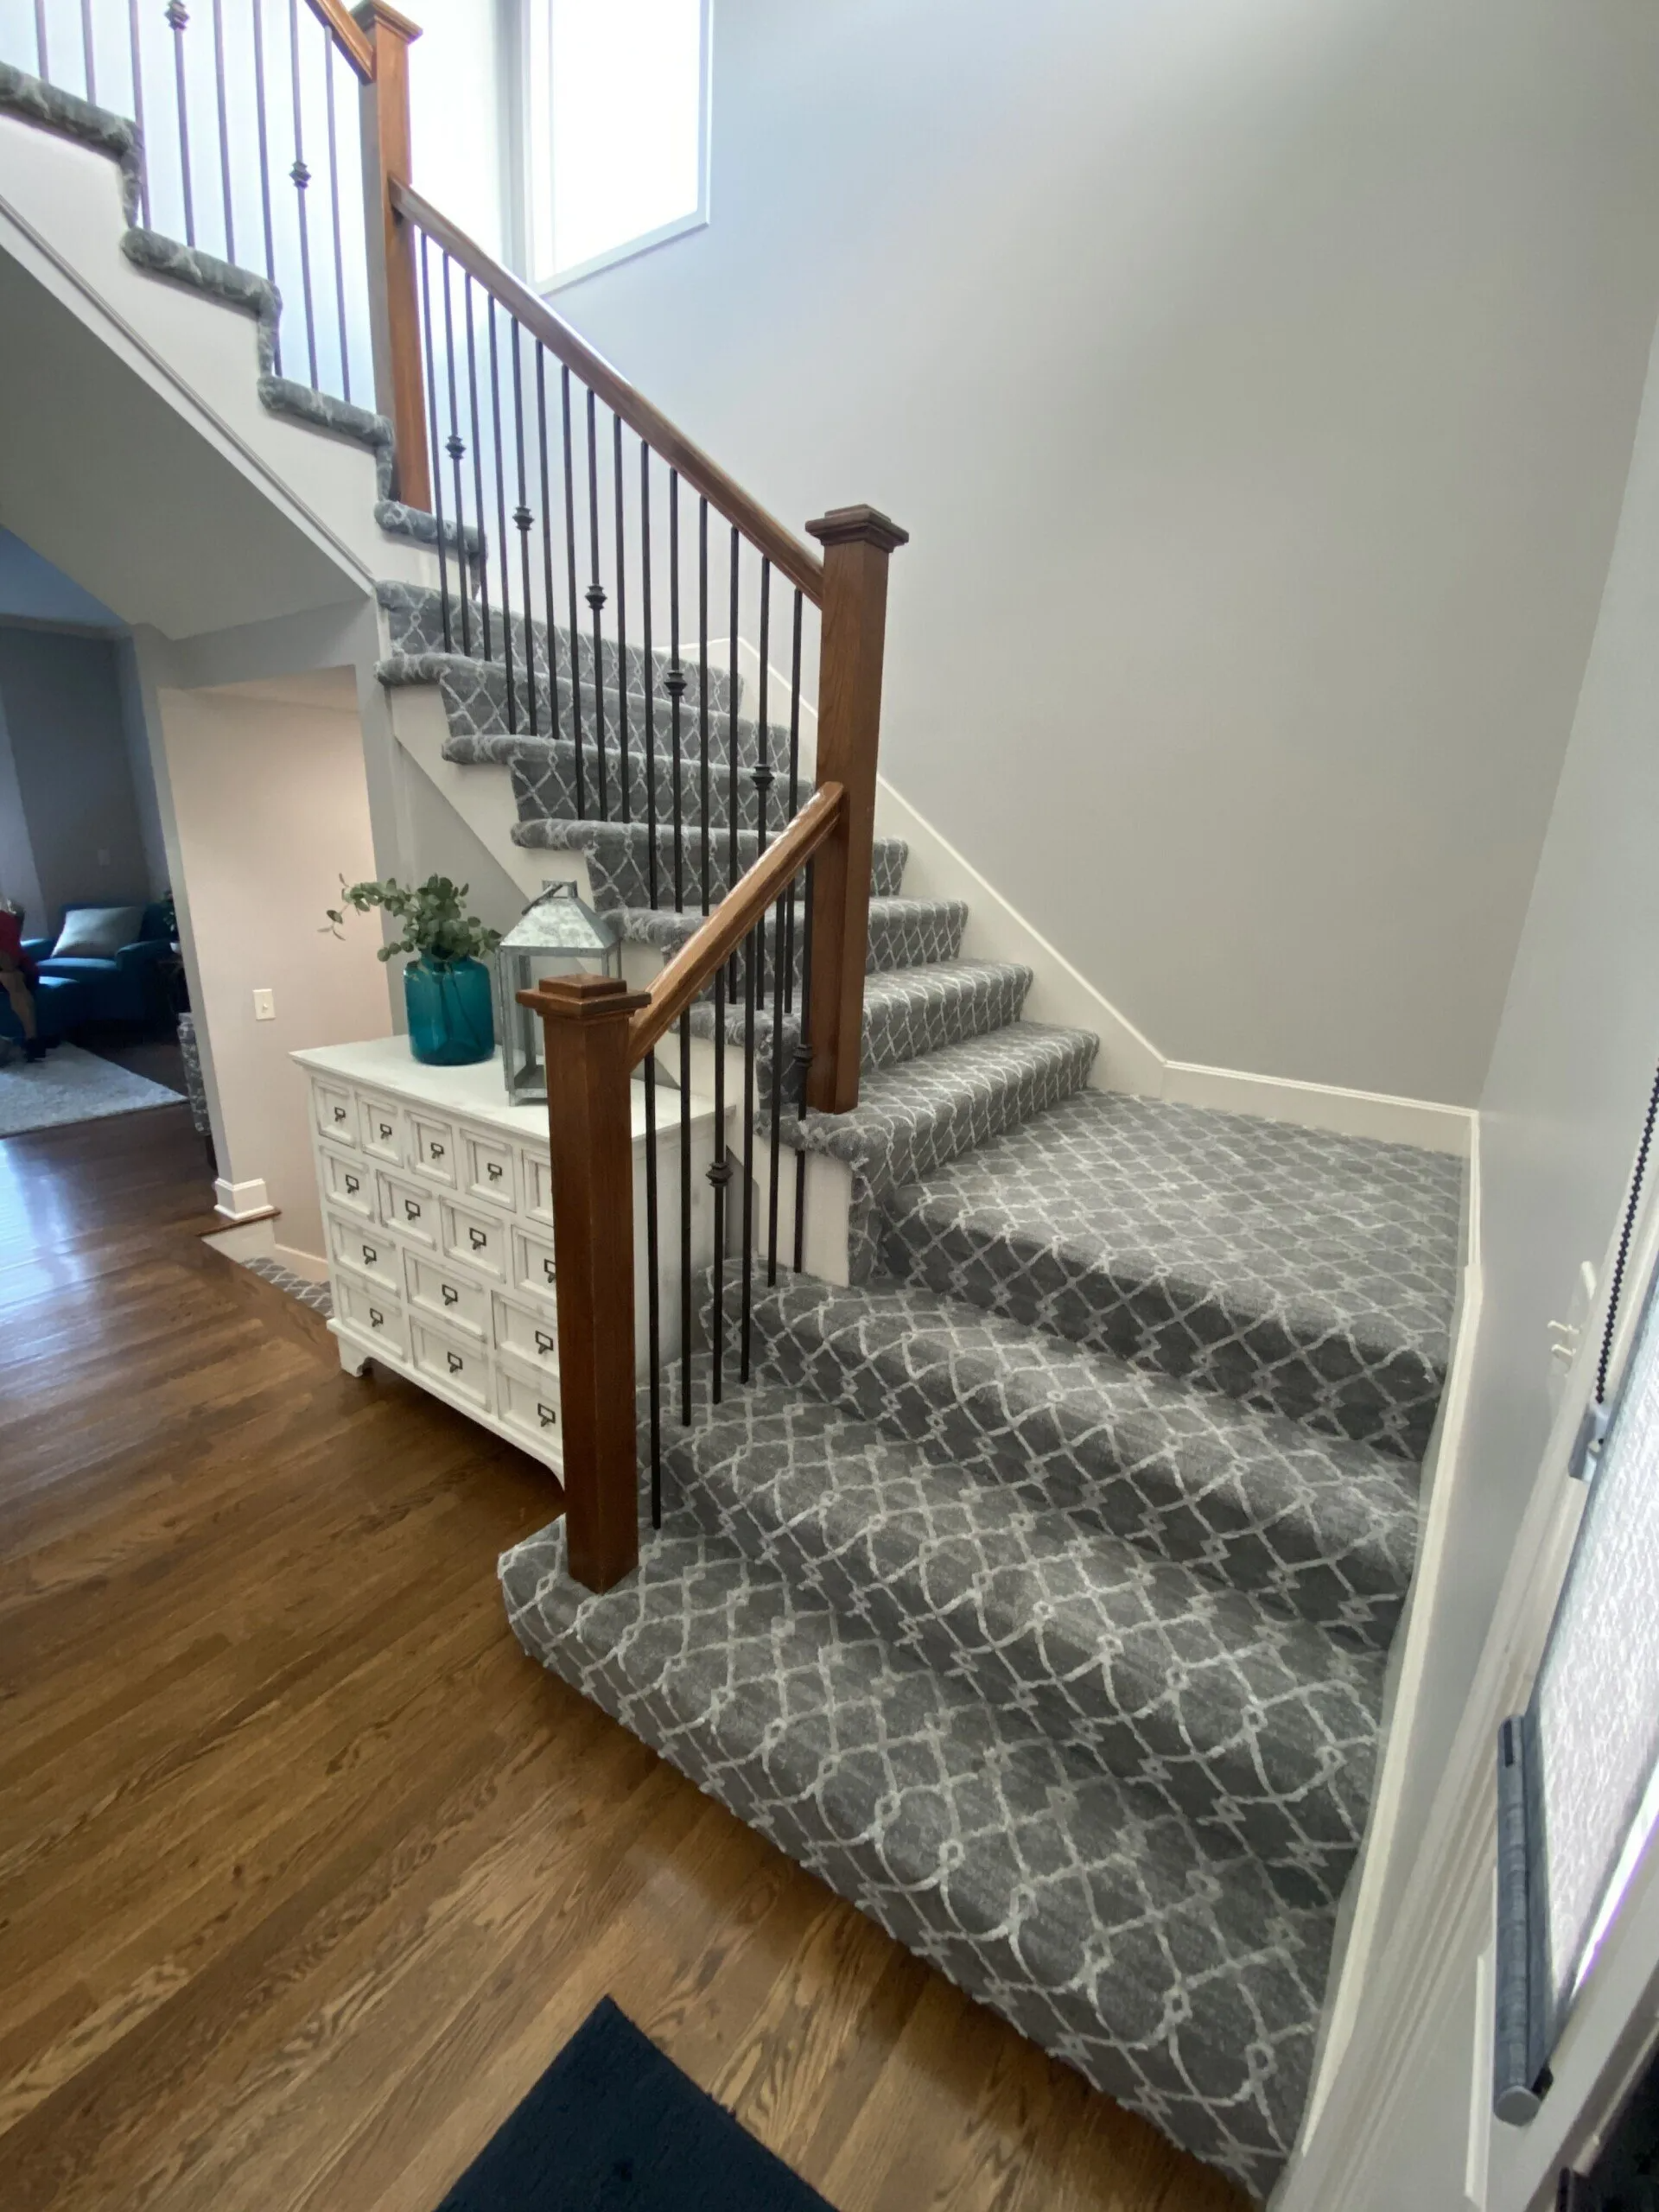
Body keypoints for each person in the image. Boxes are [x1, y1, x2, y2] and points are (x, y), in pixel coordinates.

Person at [0, 900, 44, 1061]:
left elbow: (9, 964)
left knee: (9, 977)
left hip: (19, 969)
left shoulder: (4, 921)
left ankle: (32, 1040)